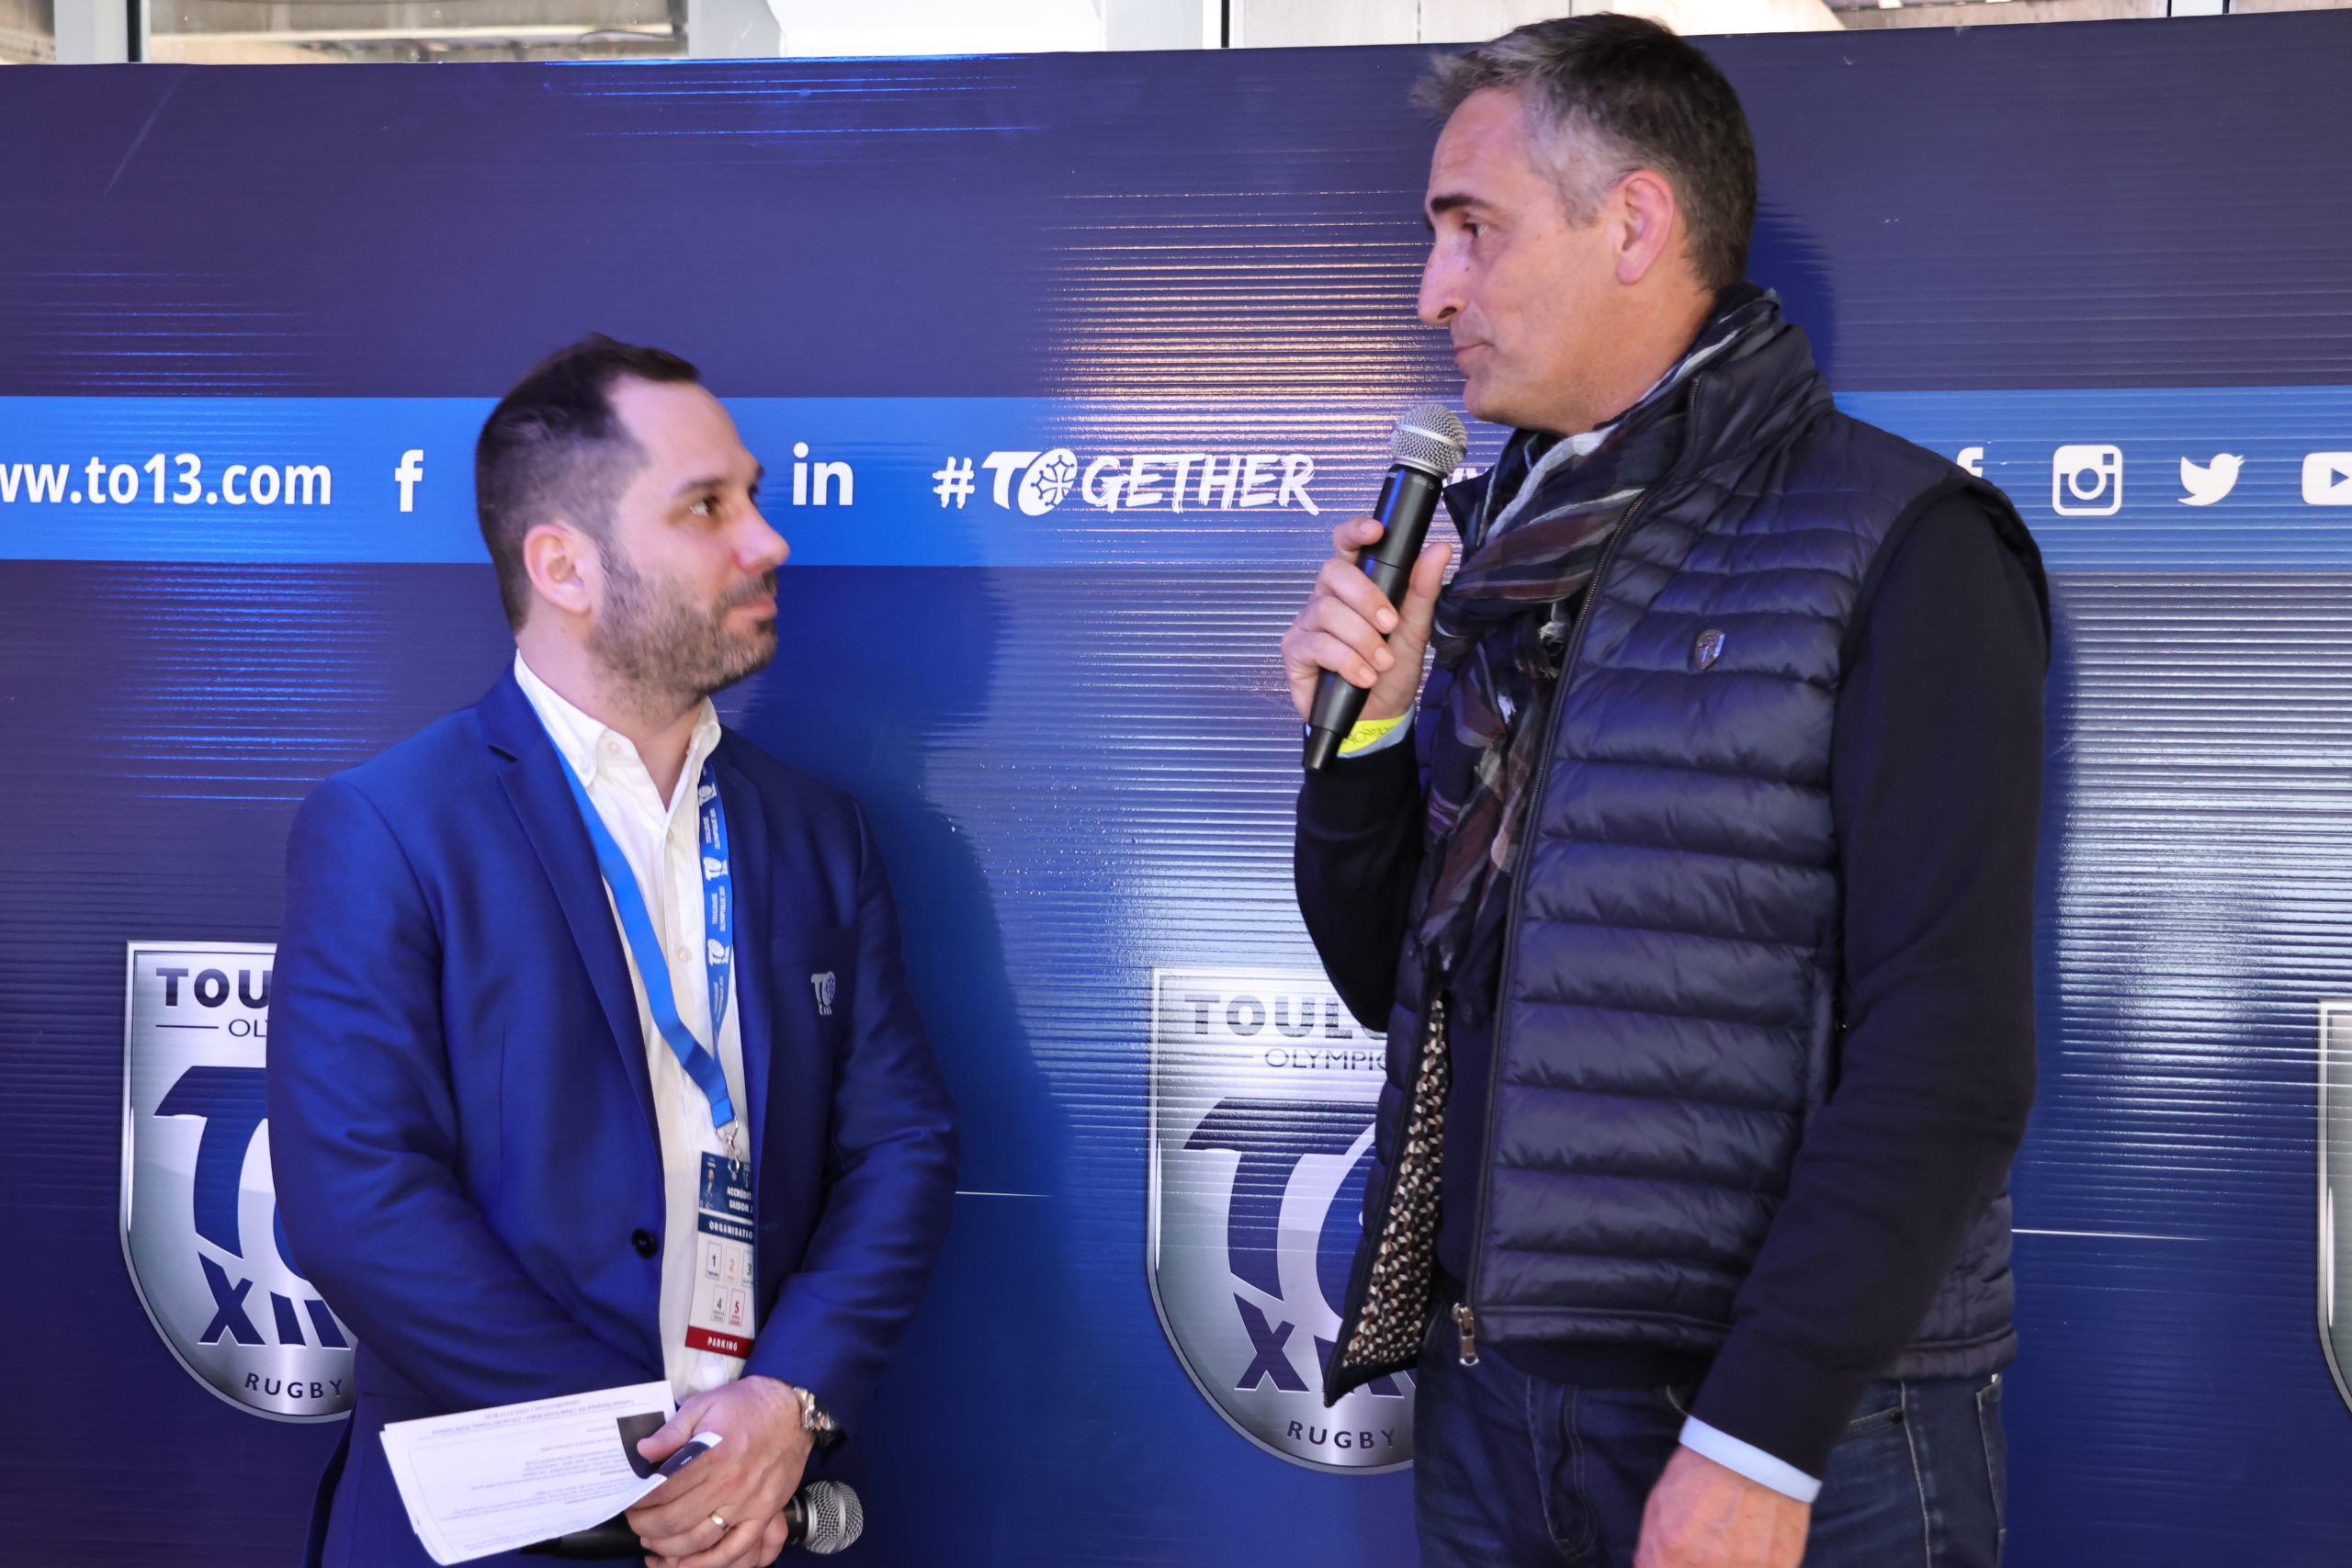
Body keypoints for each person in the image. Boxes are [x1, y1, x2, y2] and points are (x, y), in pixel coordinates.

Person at [1283, 18, 2046, 1568]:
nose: (1432, 292)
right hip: (1497, 1402)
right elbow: (1395, 987)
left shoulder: (1903, 541)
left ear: (1633, 222)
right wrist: (1367, 735)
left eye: (1472, 230)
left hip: (1798, 1431)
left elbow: (1950, 1051)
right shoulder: (1499, 549)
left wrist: (1759, 1438)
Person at [269, 336, 957, 1568]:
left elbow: (899, 1141)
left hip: (759, 1514)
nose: (767, 541)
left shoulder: (817, 830)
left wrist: (788, 1400)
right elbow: (358, 1201)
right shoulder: (389, 825)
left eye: (751, 497)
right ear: (564, 565)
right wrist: (653, 1457)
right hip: (502, 1536)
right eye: (707, 507)